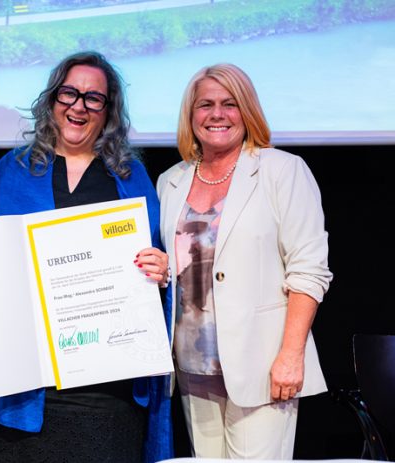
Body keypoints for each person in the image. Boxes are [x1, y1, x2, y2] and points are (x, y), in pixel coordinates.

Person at [0, 51, 173, 463]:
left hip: (107, 391)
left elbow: (152, 262)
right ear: (53, 99)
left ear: (108, 110)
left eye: (93, 98)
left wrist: (161, 268)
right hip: (28, 393)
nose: (79, 106)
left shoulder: (131, 177)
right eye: (69, 93)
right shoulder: (13, 170)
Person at [157, 63, 333, 459]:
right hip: (191, 364)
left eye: (229, 104)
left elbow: (308, 271)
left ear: (247, 110)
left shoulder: (282, 171)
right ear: (190, 115)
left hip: (263, 365)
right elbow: (184, 269)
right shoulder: (171, 180)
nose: (216, 114)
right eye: (205, 105)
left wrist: (291, 356)